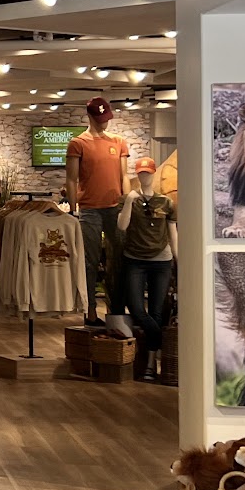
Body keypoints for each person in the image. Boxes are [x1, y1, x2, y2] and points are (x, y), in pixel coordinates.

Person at [65, 98, 129, 323]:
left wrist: (126, 203)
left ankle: (118, 309)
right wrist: (73, 210)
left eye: (107, 118)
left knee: (121, 258)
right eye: (101, 119)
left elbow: (124, 176)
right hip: (90, 209)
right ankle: (90, 311)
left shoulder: (118, 141)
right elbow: (71, 179)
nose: (105, 123)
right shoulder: (78, 143)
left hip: (115, 208)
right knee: (89, 262)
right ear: (91, 117)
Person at [117, 156, 177, 380]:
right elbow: (122, 226)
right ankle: (158, 338)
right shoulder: (129, 199)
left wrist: (179, 261)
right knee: (135, 306)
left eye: (148, 173)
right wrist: (129, 201)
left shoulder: (166, 202)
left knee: (156, 311)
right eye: (141, 173)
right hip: (135, 259)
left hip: (161, 260)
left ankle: (151, 366)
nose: (144, 177)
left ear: (153, 174)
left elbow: (173, 234)